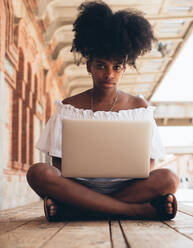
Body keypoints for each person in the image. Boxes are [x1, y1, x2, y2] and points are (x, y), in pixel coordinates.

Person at [26, 0, 179, 221]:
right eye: (101, 65)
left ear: (124, 68)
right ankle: (134, 211)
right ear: (89, 66)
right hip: (76, 188)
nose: (109, 74)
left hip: (127, 188)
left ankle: (78, 210)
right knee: (38, 172)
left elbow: (149, 164)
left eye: (116, 67)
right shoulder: (68, 107)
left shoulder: (139, 108)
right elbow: (57, 166)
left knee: (169, 178)